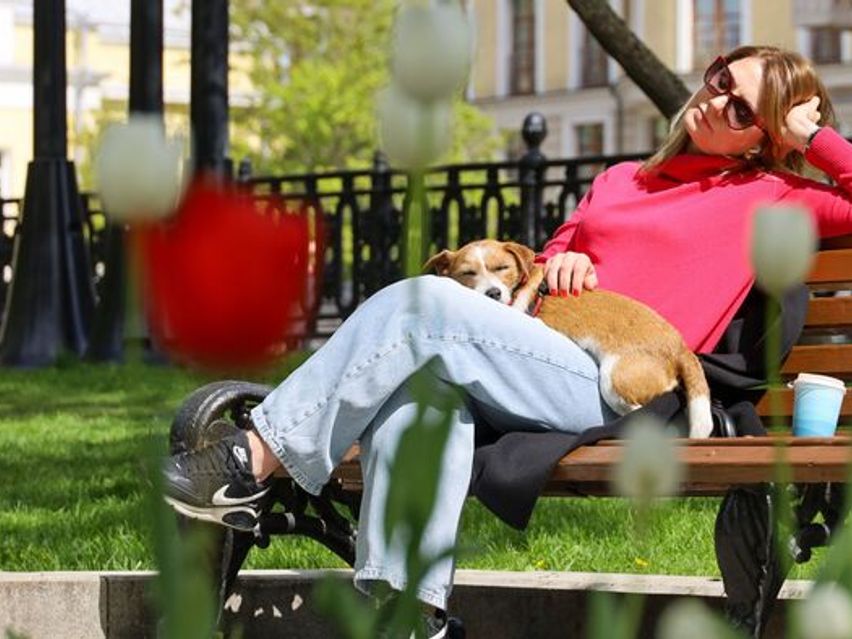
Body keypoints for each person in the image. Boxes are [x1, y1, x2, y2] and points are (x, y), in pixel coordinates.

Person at [162, 45, 852, 638]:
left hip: (618, 388)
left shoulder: (775, 194)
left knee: (424, 304)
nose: (717, 99)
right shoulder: (620, 181)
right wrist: (564, 259)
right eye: (721, 78)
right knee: (421, 395)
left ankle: (253, 459)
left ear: (763, 136)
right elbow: (542, 264)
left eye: (742, 108)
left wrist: (813, 138)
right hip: (538, 358)